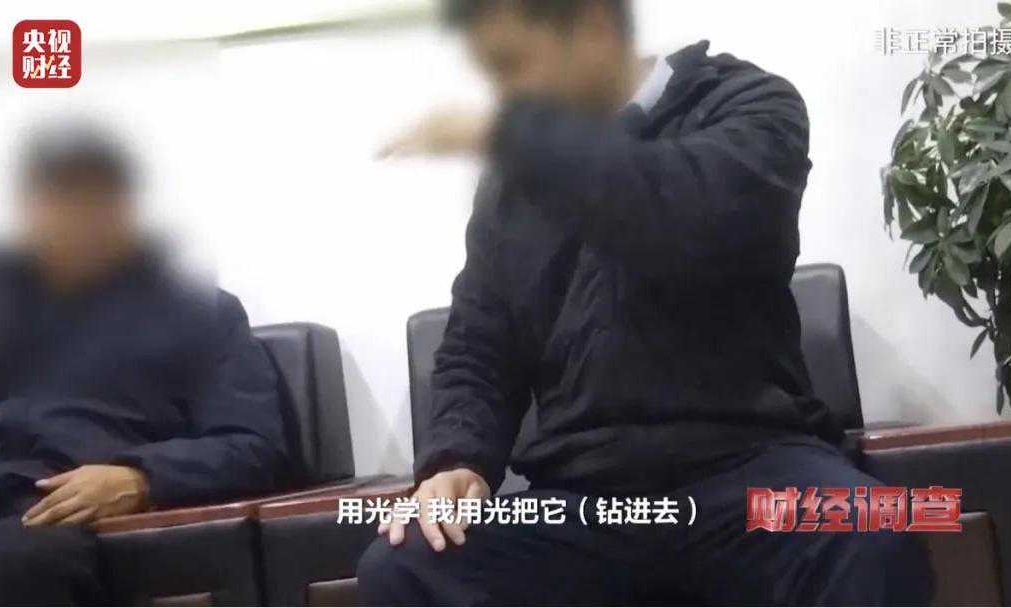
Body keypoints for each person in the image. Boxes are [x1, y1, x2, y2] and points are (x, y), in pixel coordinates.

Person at [359, 0, 934, 605]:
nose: (508, 93)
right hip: (584, 499)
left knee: (875, 532)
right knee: (404, 566)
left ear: (594, 26)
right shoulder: (516, 179)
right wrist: (457, 460)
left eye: (514, 64)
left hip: (750, 469)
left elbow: (681, 208)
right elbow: (480, 342)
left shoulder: (750, 104)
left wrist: (523, 146)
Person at [0, 123, 288, 605]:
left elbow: (255, 446)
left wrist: (142, 478)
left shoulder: (200, 314)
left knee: (14, 562)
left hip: (54, 511)